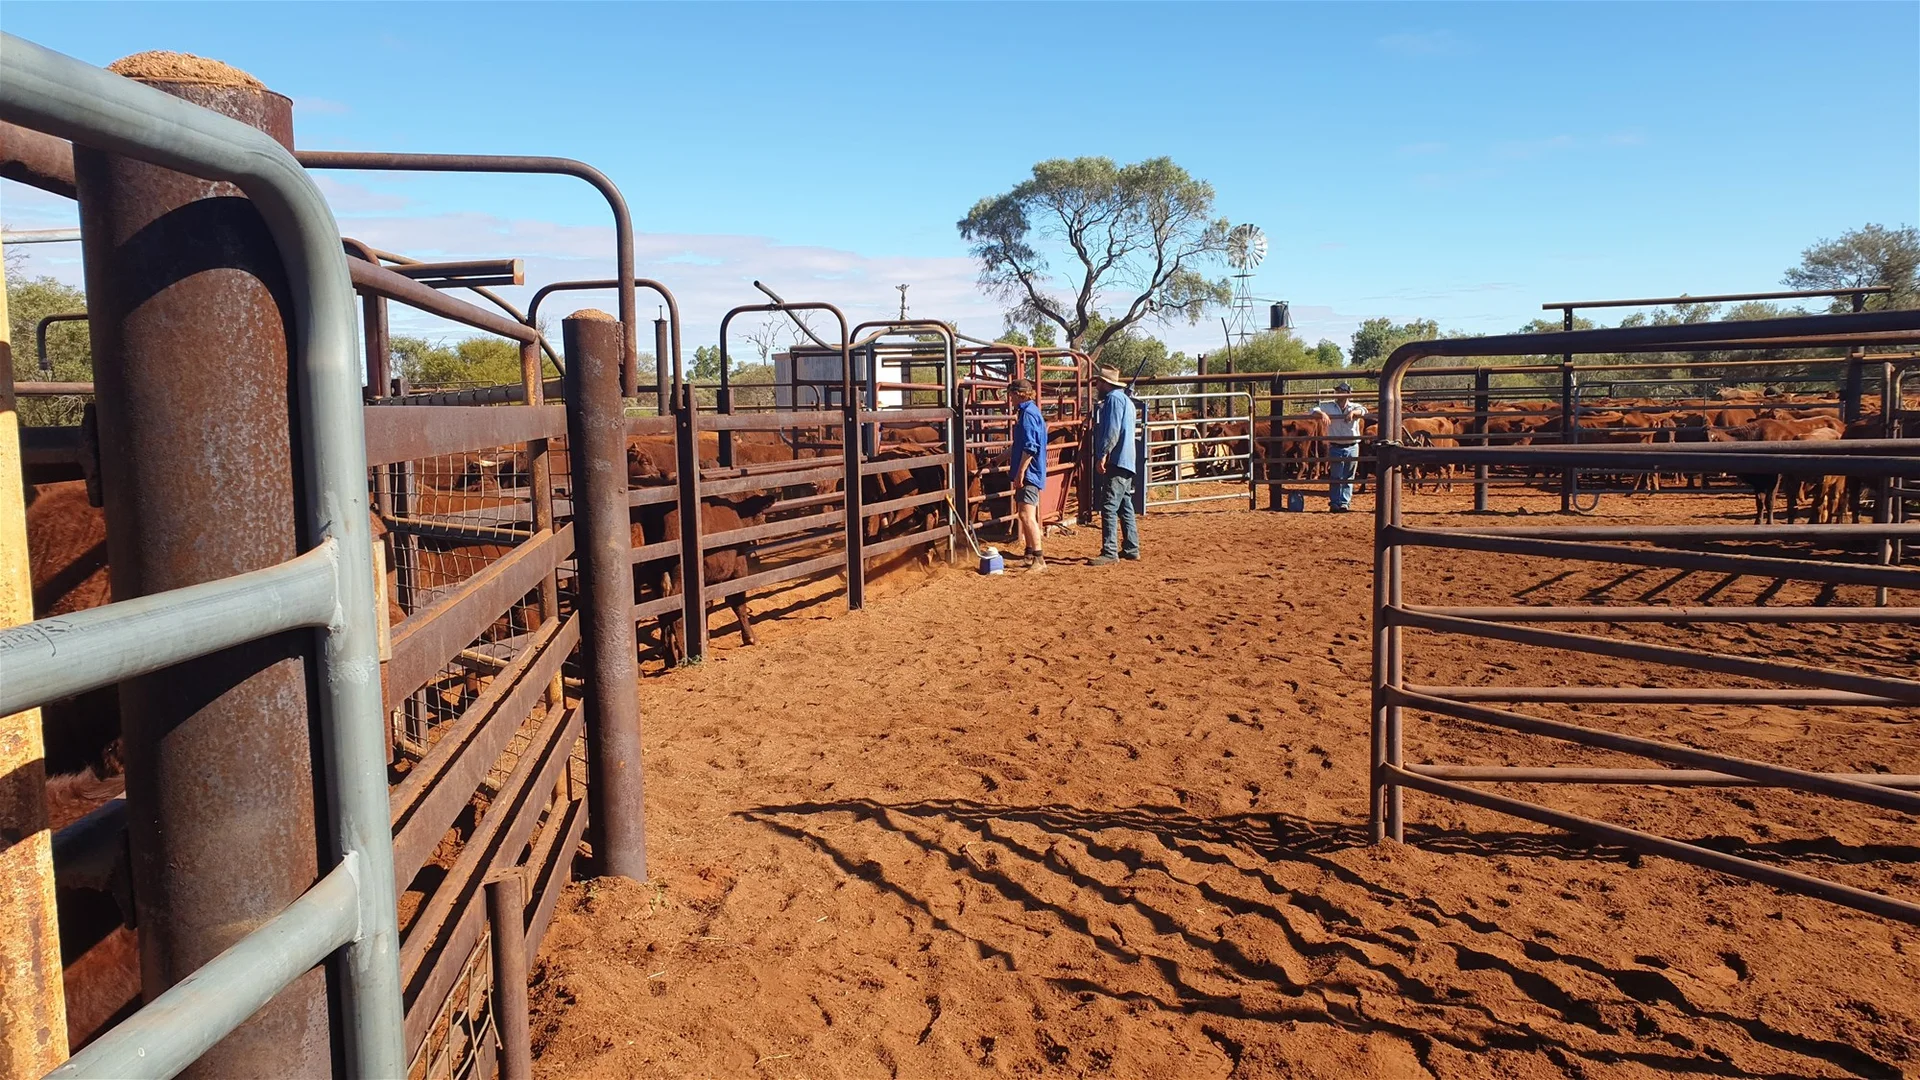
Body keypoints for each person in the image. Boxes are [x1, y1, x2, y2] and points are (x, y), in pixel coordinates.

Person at [1088, 365, 1140, 564]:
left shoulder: (1112, 400)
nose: (1096, 386)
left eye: (1097, 383)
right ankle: (1131, 547)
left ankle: (1109, 551)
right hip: (1127, 460)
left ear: (1105, 384)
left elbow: (1112, 430)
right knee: (1124, 504)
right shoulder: (1126, 401)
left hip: (1117, 460)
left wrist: (1102, 454)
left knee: (1109, 506)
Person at [1007, 377, 1048, 572]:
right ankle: (1031, 552)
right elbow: (1021, 445)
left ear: (1018, 394)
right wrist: (998, 460)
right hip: (1032, 471)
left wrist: (1021, 472)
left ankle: (1039, 559)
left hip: (1029, 473)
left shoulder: (1028, 415)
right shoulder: (1031, 412)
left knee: (1026, 515)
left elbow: (1030, 447)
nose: (1010, 399)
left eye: (1011, 395)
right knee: (1027, 513)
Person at [1312, 382, 1367, 513]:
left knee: (1348, 476)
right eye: (1337, 391)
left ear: (1348, 393)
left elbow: (1364, 411)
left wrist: (1354, 413)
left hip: (1352, 445)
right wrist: (1322, 414)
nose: (1337, 393)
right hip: (1335, 445)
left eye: (1341, 391)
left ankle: (1344, 503)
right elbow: (1313, 410)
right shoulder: (1328, 405)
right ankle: (1335, 503)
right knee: (1336, 476)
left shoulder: (1354, 406)